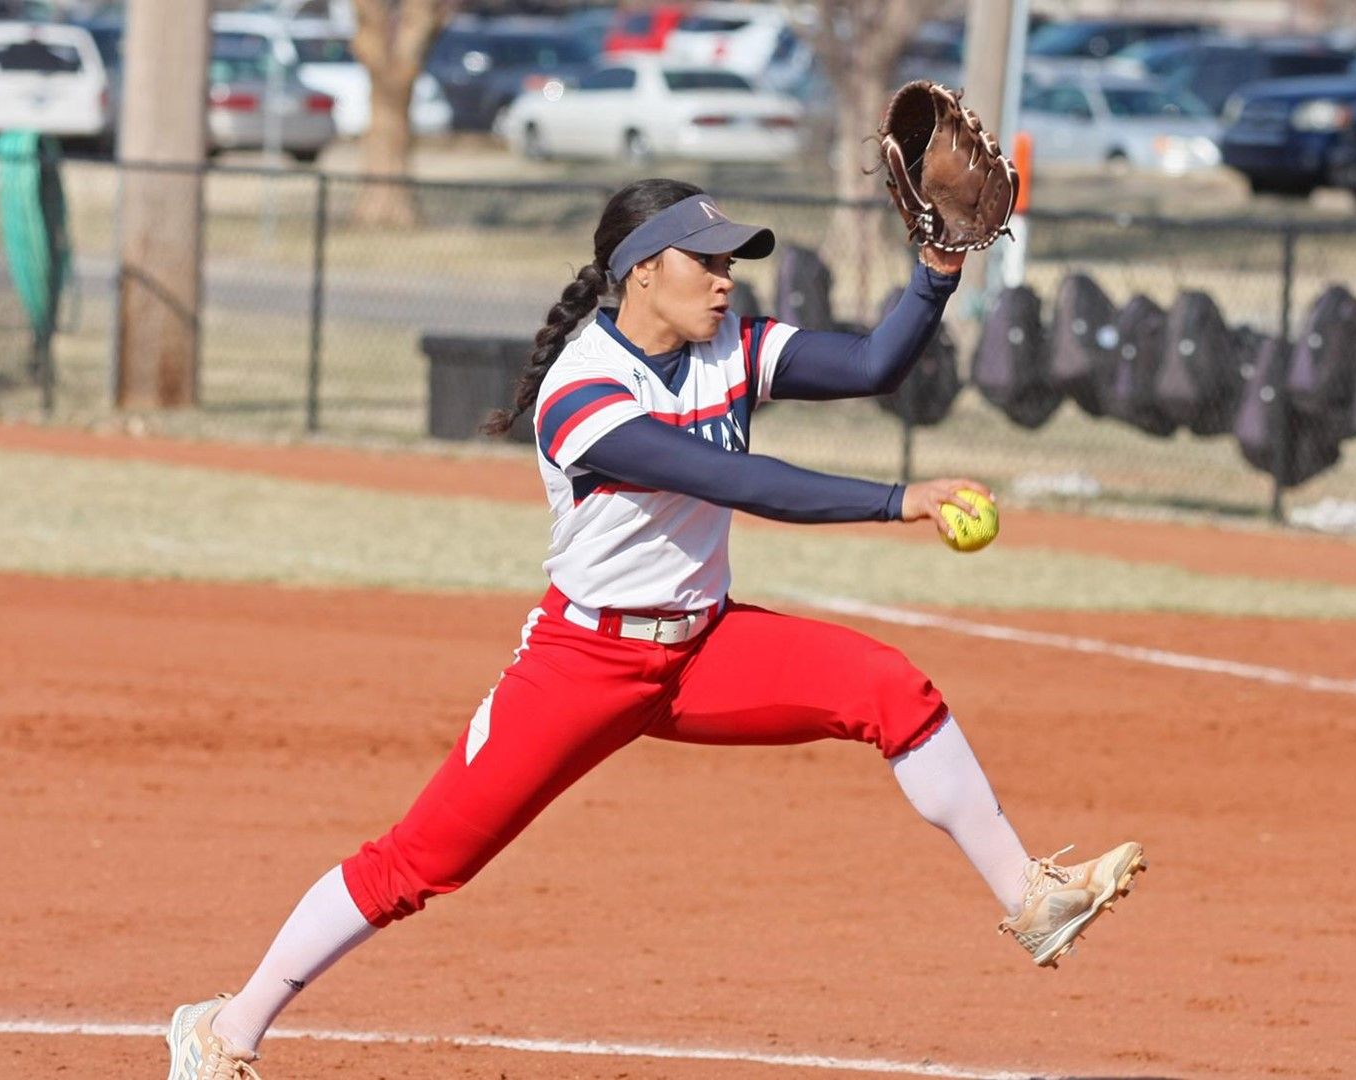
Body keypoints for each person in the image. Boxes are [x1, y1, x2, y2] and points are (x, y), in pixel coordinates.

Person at [164, 179, 1147, 1080]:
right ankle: (225, 1030)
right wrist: (901, 499)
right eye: (706, 263)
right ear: (643, 271)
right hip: (583, 663)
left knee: (892, 690)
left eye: (730, 265)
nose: (725, 282)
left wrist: (938, 270)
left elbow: (876, 363)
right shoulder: (585, 392)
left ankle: (1031, 896)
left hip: (703, 647)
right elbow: (737, 481)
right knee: (421, 863)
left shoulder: (733, 348)